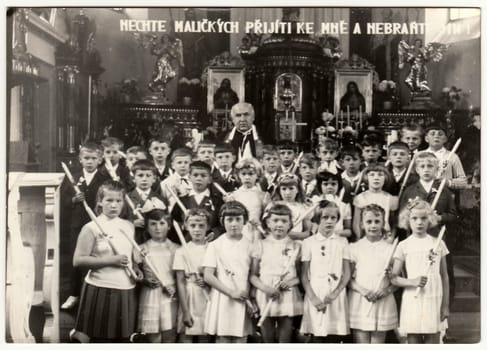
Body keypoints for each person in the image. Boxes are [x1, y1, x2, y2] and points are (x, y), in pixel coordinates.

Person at [72, 181, 143, 342]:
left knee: (123, 339)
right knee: (100, 339)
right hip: (100, 288)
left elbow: (129, 256)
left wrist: (136, 268)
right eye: (109, 200)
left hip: (126, 288)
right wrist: (110, 260)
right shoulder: (91, 227)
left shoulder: (128, 226)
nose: (114, 205)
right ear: (100, 202)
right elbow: (78, 260)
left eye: (118, 201)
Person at [391, 199, 450, 344]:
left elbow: (444, 277)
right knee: (413, 339)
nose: (419, 222)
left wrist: (445, 305)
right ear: (407, 220)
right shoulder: (403, 245)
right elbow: (393, 278)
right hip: (413, 298)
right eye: (414, 218)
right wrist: (413, 281)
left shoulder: (438, 243)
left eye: (423, 218)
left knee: (433, 338)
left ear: (429, 219)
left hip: (434, 296)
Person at [60, 142, 111, 310]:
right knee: (77, 259)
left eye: (93, 158)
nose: (90, 161)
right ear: (80, 159)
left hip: (97, 224)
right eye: (86, 158)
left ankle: (94, 294)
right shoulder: (71, 177)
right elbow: (62, 200)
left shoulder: (105, 180)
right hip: (76, 226)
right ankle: (74, 294)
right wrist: (73, 200)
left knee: (97, 257)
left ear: (100, 160)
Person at [202, 201, 256, 343]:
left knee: (241, 337)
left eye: (238, 219)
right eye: (229, 219)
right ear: (222, 221)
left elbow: (253, 275)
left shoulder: (251, 245)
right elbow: (208, 276)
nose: (234, 223)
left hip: (243, 298)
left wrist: (251, 297)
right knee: (223, 337)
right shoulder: (215, 245)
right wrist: (230, 292)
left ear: (244, 221)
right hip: (223, 298)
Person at [250, 203, 303, 342]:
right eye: (275, 220)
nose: (279, 224)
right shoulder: (260, 244)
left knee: (284, 337)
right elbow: (253, 276)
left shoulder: (296, 246)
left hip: (287, 294)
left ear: (290, 223)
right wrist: (265, 288)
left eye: (284, 221)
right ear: (268, 222)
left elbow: (301, 276)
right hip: (265, 293)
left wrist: (290, 282)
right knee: (267, 337)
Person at [300, 200, 351, 342]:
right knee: (317, 334)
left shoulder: (343, 242)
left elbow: (347, 273)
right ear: (317, 219)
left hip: (335, 294)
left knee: (334, 335)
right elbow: (304, 276)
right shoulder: (308, 242)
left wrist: (335, 293)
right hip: (315, 293)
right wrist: (313, 298)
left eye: (333, 218)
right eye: (325, 217)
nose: (329, 221)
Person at [348, 204, 398, 343]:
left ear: (383, 223)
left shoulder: (390, 249)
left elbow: (398, 279)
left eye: (377, 221)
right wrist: (363, 291)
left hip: (382, 300)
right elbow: (347, 279)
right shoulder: (354, 248)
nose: (373, 225)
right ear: (362, 224)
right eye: (369, 222)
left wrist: (387, 290)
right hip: (361, 299)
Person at [137, 208, 179, 343]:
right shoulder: (141, 248)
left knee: (170, 331)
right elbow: (135, 273)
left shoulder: (176, 248)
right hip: (151, 294)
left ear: (169, 226)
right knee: (153, 333)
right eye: (153, 224)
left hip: (170, 293)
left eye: (162, 223)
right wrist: (144, 280)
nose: (157, 228)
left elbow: (181, 276)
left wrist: (175, 287)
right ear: (147, 227)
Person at [173, 209, 211, 343]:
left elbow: (217, 276)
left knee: (204, 335)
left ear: (208, 227)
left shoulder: (213, 249)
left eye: (201, 226)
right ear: (186, 226)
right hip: (189, 297)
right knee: (186, 335)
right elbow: (180, 282)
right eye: (193, 226)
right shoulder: (181, 251)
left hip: (208, 296)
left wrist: (208, 282)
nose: (197, 229)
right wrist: (185, 311)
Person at [170, 161, 224, 243]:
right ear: (189, 177)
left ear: (209, 179)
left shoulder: (217, 201)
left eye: (203, 176)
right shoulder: (182, 201)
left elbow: (223, 223)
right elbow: (173, 222)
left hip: (211, 243)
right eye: (195, 175)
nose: (199, 178)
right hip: (188, 243)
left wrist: (214, 232)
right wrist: (183, 226)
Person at [124, 159, 167, 244]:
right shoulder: (126, 198)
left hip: (153, 241)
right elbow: (120, 220)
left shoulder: (160, 199)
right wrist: (132, 223)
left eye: (148, 176)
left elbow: (165, 221)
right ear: (133, 178)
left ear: (154, 179)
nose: (144, 179)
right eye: (140, 175)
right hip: (132, 239)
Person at [353, 165, 398, 240]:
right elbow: (356, 224)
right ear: (366, 178)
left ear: (385, 178)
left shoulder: (391, 199)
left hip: (385, 238)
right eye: (372, 175)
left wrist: (391, 238)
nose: (376, 178)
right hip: (365, 238)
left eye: (380, 175)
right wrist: (360, 239)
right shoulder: (360, 198)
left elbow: (393, 224)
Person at [228, 158, 268, 242]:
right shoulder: (234, 195)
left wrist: (261, 223)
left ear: (257, 175)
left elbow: (268, 216)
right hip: (239, 231)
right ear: (238, 175)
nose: (247, 177)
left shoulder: (263, 195)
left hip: (257, 231)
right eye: (243, 174)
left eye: (251, 174)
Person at [312, 171, 352, 239]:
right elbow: (312, 228)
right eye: (325, 184)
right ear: (320, 185)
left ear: (338, 185)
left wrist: (336, 232)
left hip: (338, 240)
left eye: (333, 184)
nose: (329, 187)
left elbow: (348, 231)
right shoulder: (314, 203)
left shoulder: (344, 205)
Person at [271, 173, 312, 240]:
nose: (288, 192)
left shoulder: (303, 207)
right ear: (279, 190)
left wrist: (293, 235)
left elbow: (307, 233)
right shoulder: (273, 206)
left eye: (291, 188)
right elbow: (269, 229)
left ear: (297, 189)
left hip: (297, 243)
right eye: (284, 189)